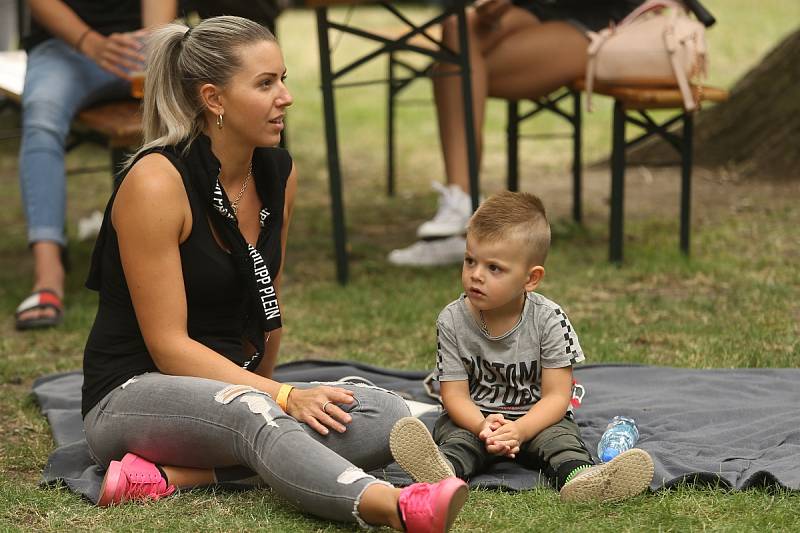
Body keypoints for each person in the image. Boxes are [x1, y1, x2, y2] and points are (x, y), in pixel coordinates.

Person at [80, 16, 467, 532]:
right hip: (131, 392)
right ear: (214, 99)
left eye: (282, 79)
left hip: (231, 389)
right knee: (253, 413)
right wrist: (277, 398)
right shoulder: (156, 181)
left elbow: (267, 304)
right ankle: (393, 507)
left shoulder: (277, 173)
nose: (285, 96)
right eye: (265, 84)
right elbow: (168, 347)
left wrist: (272, 392)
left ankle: (178, 476)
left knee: (384, 412)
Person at [389, 191, 654, 502]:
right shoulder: (452, 320)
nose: (476, 275)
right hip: (476, 418)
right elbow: (454, 395)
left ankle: (582, 480)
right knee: (457, 439)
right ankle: (442, 472)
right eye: (470, 260)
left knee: (561, 441)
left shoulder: (549, 320)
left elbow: (557, 395)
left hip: (537, 417)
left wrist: (522, 430)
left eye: (494, 268)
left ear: (531, 279)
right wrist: (483, 425)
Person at [388, 0, 645, 267]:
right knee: (457, 32)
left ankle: (460, 219)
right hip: (536, 9)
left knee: (454, 68)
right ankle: (461, 201)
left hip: (604, 23)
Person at [14, 0, 178, 330]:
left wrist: (152, 42)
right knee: (42, 117)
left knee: (187, 107)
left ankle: (188, 260)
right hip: (66, 46)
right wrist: (91, 42)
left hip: (145, 42)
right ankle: (48, 275)